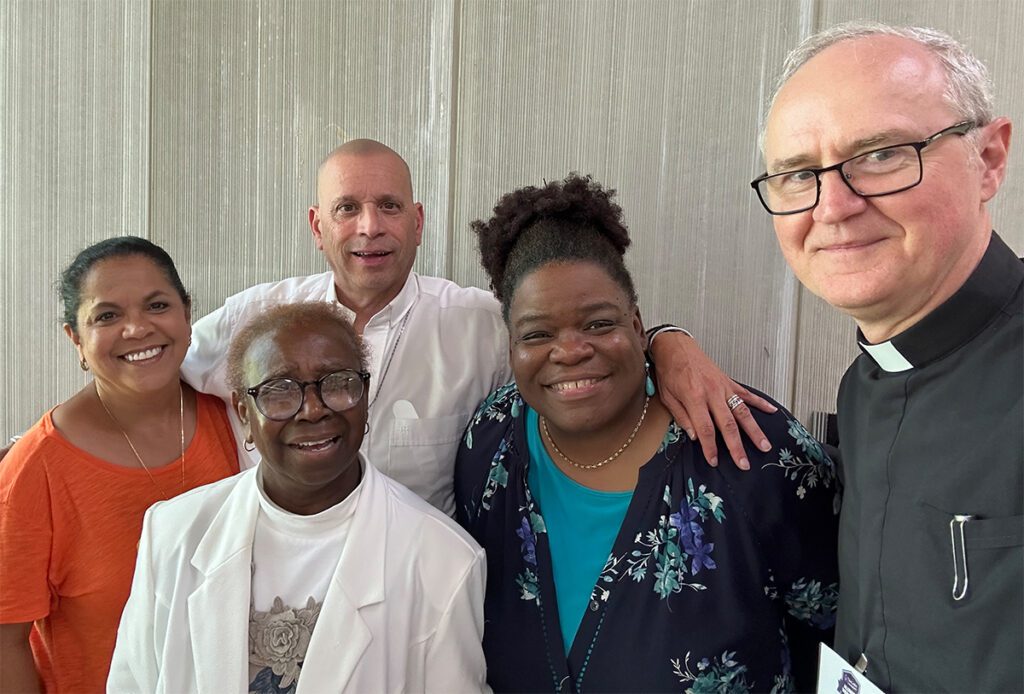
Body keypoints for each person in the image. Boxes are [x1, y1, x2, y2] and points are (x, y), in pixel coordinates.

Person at [182, 138, 777, 516]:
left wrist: (667, 343)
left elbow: (575, 345)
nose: (370, 227)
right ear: (317, 225)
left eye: (390, 207)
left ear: (417, 222)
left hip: (420, 587)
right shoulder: (255, 320)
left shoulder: (476, 323)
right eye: (347, 209)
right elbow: (153, 372)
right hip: (277, 574)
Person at [455, 174, 839, 692]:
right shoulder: (491, 445)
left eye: (597, 324)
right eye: (537, 334)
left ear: (638, 327)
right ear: (511, 345)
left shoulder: (751, 448)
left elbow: (844, 636)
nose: (569, 351)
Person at [751, 21, 1022, 692]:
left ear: (988, 160)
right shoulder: (863, 383)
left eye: (881, 154)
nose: (833, 207)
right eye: (797, 174)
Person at [108, 302, 487, 693]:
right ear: (244, 414)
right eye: (278, 392)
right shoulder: (173, 532)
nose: (312, 410)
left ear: (365, 395)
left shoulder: (445, 560)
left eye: (338, 383)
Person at [0, 237, 240, 693]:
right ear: (76, 339)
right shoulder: (36, 470)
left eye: (156, 305)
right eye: (107, 316)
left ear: (187, 314)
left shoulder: (233, 415)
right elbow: (4, 643)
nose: (137, 329)